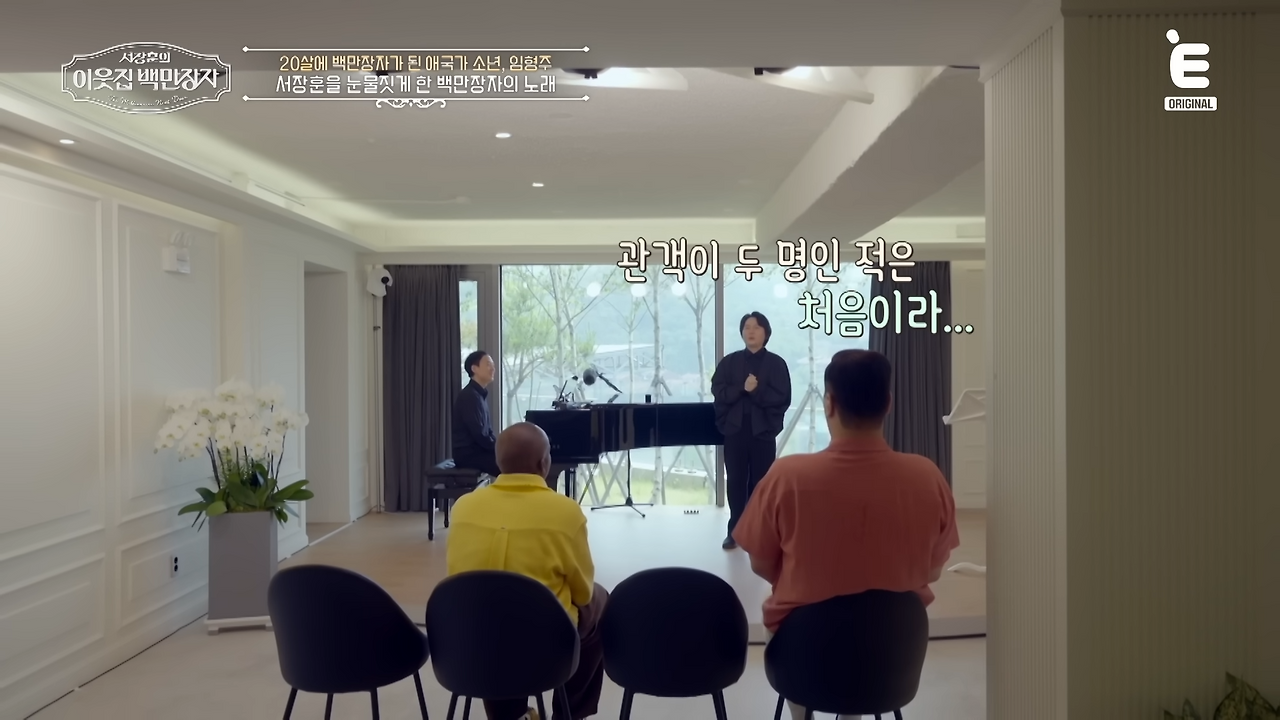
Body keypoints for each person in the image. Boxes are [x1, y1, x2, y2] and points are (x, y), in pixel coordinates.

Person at [733, 349, 960, 720]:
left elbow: (761, 563)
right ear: (888, 403)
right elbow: (931, 571)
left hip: (805, 658)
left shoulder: (786, 477)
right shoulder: (927, 477)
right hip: (892, 658)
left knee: (789, 616)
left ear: (829, 404)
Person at [446, 422, 609, 720]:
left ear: (499, 462)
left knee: (493, 611)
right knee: (600, 601)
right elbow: (583, 593)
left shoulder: (463, 507)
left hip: (474, 641)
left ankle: (510, 714)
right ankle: (570, 713)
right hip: (545, 646)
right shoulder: (565, 512)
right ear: (544, 463)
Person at [710, 311, 791, 549]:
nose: (751, 331)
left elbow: (782, 397)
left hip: (762, 432)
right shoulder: (729, 362)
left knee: (761, 482)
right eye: (746, 327)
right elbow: (718, 390)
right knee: (735, 480)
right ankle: (735, 531)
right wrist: (742, 388)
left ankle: (762, 533)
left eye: (756, 327)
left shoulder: (776, 363)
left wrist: (755, 391)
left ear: (766, 333)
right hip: (735, 430)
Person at [452, 350, 500, 477]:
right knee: (512, 465)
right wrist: (500, 450)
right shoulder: (469, 396)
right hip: (469, 455)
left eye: (493, 365)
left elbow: (488, 433)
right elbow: (480, 435)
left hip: (478, 451)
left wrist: (501, 447)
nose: (493, 368)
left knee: (514, 460)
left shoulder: (478, 395)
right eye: (488, 364)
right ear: (474, 369)